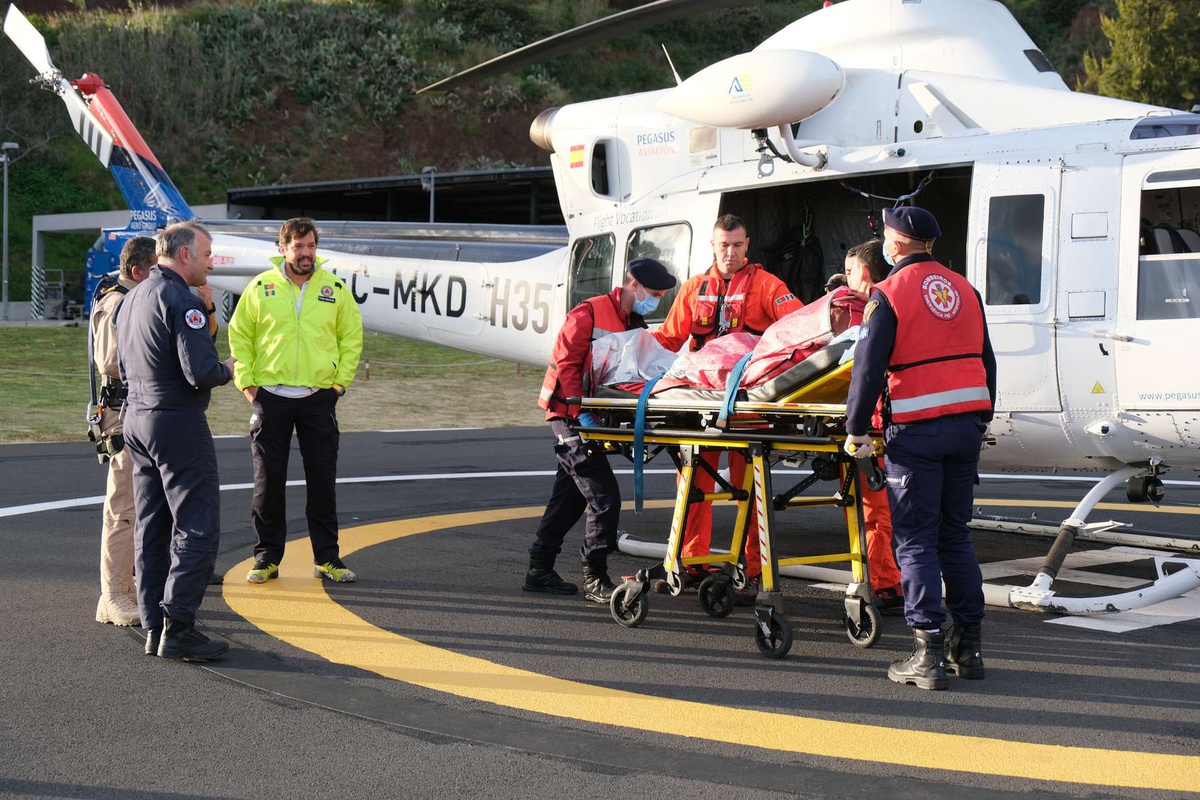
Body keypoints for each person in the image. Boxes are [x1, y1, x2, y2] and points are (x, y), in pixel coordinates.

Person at [843, 206, 996, 690]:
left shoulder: (888, 296)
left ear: (896, 241)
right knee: (955, 536)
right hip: (966, 426)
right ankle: (967, 648)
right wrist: (981, 416)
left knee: (914, 539)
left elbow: (868, 370)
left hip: (916, 432)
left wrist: (856, 430)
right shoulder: (965, 290)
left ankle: (927, 652)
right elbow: (986, 360)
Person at [652, 214, 803, 601]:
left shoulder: (769, 286)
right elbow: (667, 340)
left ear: (747, 245)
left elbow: (800, 328)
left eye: (737, 245)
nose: (731, 253)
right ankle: (691, 561)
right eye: (724, 245)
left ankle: (752, 567)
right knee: (693, 482)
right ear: (713, 245)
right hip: (701, 403)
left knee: (749, 486)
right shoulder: (693, 289)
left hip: (749, 403)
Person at [526, 257, 677, 603]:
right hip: (569, 414)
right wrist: (581, 416)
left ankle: (539, 568)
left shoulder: (633, 321)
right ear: (633, 284)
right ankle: (594, 575)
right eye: (653, 293)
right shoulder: (588, 313)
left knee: (570, 496)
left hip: (591, 416)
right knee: (604, 497)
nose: (656, 300)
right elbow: (566, 363)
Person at [117, 222, 235, 660]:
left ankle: (154, 626)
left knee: (151, 525)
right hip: (175, 421)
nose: (210, 262)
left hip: (137, 418)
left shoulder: (131, 298)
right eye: (207, 254)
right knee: (197, 522)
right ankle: (179, 625)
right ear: (184, 255)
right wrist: (229, 367)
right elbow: (200, 371)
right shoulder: (181, 300)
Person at [229, 217, 363, 585]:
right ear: (282, 248)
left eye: (311, 246)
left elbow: (351, 337)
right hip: (270, 398)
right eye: (299, 246)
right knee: (268, 484)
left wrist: (338, 386)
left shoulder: (335, 288)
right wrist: (248, 386)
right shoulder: (260, 287)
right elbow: (240, 337)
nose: (306, 253)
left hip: (319, 399)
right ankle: (267, 558)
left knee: (322, 481)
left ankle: (328, 558)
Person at [91, 236, 156, 627]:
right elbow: (112, 361)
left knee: (145, 504)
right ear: (138, 272)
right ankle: (113, 594)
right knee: (124, 506)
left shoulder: (132, 299)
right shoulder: (116, 303)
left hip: (141, 409)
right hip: (122, 412)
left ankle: (134, 583)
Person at [842, 239, 904, 611]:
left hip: (870, 426)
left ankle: (883, 582)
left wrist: (855, 425)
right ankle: (888, 579)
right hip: (899, 424)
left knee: (874, 511)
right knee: (890, 512)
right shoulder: (899, 303)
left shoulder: (863, 311)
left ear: (863, 273)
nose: (844, 279)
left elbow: (862, 374)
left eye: (849, 271)